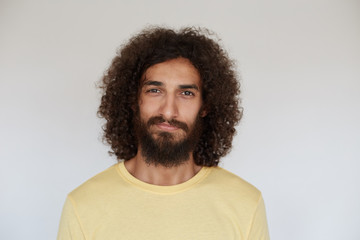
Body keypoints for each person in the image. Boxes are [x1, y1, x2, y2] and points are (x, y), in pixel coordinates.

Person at [57, 26, 270, 240]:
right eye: (155, 91)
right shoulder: (83, 206)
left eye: (186, 93)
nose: (168, 111)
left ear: (205, 106)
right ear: (133, 100)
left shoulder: (245, 203)